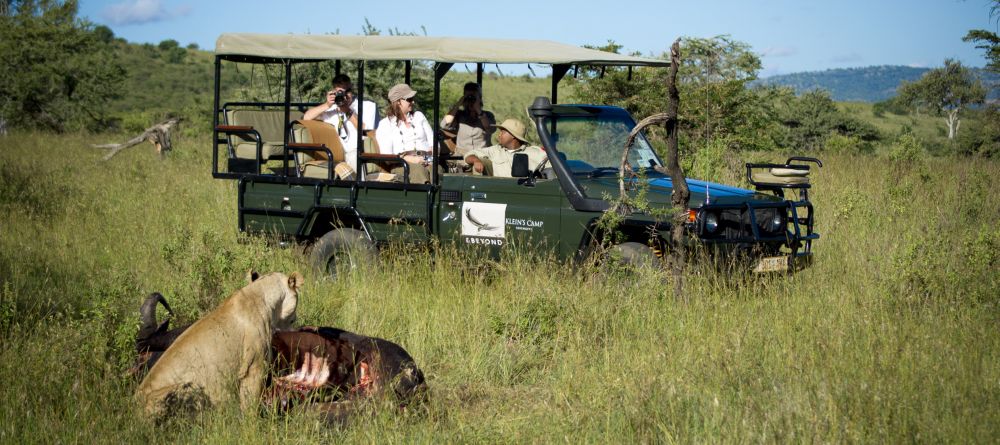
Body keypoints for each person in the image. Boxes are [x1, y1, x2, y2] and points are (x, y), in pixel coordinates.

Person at [302, 74, 379, 173]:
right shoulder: (333, 110)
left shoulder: (368, 106)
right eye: (340, 92)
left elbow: (366, 133)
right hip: (345, 154)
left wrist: (348, 111)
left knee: (355, 157)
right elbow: (306, 117)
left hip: (363, 150)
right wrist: (327, 104)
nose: (345, 96)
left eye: (347, 91)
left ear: (352, 90)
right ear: (334, 92)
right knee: (353, 157)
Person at [375, 83, 434, 183]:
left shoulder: (419, 116)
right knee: (418, 170)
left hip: (427, 160)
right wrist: (411, 159)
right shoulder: (385, 124)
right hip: (402, 165)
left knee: (437, 170)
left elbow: (433, 142)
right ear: (398, 102)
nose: (413, 102)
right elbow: (388, 157)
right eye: (409, 99)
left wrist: (430, 158)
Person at [464, 118, 546, 178]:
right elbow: (469, 155)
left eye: (502, 132)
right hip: (500, 192)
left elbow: (552, 169)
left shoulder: (535, 153)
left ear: (513, 136)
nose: (499, 135)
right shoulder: (495, 150)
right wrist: (476, 160)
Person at [440, 82, 495, 156]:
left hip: (482, 156)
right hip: (462, 157)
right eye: (468, 97)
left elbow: (490, 129)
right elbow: (444, 124)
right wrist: (458, 104)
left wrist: (478, 110)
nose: (471, 101)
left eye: (474, 98)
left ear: (480, 99)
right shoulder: (459, 115)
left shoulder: (488, 115)